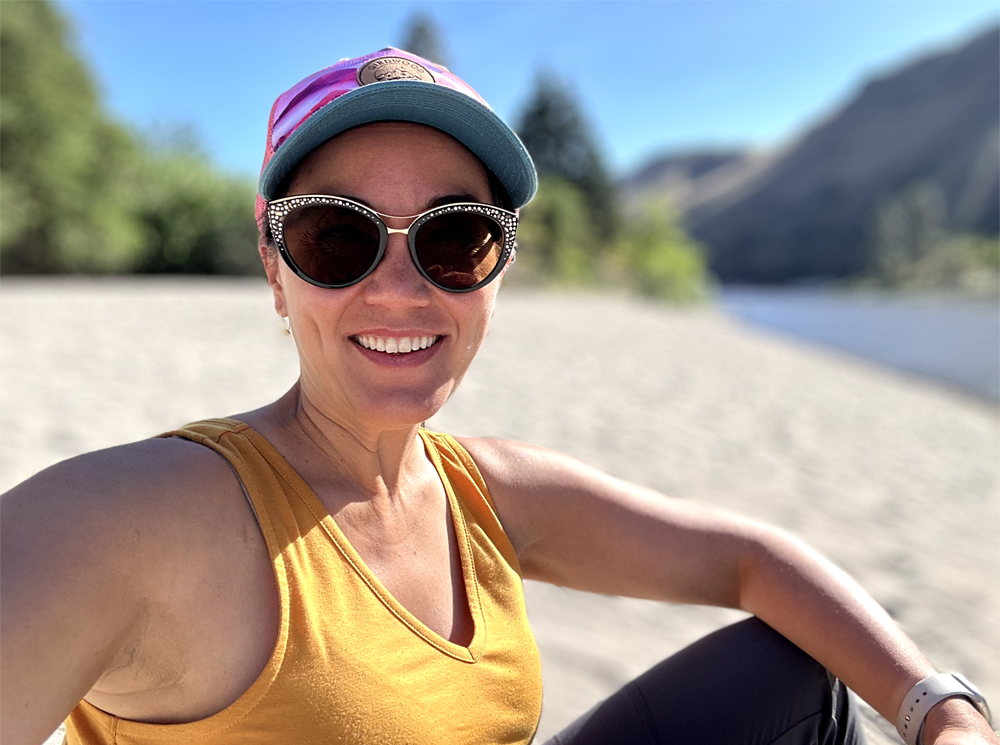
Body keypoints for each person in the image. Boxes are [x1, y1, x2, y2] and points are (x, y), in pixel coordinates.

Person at [0, 47, 995, 745]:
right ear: (272, 261)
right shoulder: (143, 519)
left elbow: (746, 560)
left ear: (499, 267)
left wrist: (941, 710)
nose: (400, 286)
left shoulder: (484, 493)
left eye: (455, 237)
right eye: (335, 237)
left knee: (791, 677)